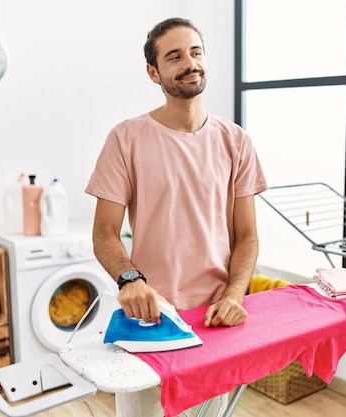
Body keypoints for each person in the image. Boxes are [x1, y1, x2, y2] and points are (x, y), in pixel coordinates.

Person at [85, 17, 267, 417]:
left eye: (196, 52)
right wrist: (130, 280)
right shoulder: (126, 138)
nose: (190, 63)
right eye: (174, 56)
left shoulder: (235, 140)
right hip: (150, 321)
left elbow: (248, 236)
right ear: (154, 72)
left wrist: (236, 293)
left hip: (214, 321)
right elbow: (104, 234)